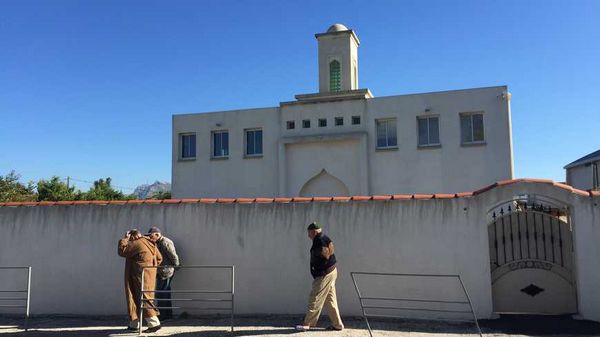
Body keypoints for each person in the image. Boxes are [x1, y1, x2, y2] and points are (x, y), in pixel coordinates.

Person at [295, 222, 344, 332]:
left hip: (324, 274)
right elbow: (330, 251)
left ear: (314, 232)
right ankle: (337, 324)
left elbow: (325, 255)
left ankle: (308, 323)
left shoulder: (319, 240)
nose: (308, 236)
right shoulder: (324, 238)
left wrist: (319, 266)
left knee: (315, 297)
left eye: (309, 233)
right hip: (331, 271)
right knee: (329, 299)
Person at [117, 229, 163, 333]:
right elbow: (159, 258)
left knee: (140, 298)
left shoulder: (137, 243)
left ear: (133, 236)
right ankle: (134, 324)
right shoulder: (150, 243)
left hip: (137, 275)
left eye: (130, 239)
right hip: (148, 275)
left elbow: (122, 251)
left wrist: (124, 239)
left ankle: (154, 323)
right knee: (140, 298)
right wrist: (151, 268)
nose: (130, 241)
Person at [147, 226, 180, 320]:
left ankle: (163, 315)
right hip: (162, 271)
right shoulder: (157, 242)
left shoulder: (165, 242)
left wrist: (176, 266)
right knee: (165, 292)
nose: (150, 237)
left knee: (162, 292)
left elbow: (173, 255)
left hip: (166, 271)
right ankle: (167, 314)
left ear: (157, 234)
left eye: (151, 235)